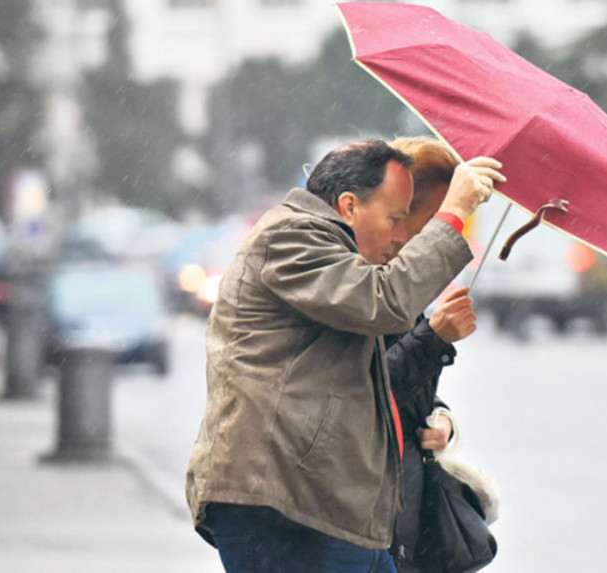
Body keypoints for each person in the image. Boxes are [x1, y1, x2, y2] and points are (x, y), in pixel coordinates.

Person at [186, 139, 505, 573]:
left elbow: (370, 383)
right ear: (349, 206)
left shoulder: (344, 259)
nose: (401, 236)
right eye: (397, 219)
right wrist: (456, 212)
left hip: (328, 507)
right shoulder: (292, 236)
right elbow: (385, 304)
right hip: (289, 504)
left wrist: (441, 414)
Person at [383, 137, 476, 571]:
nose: (450, 231)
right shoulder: (367, 279)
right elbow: (365, 391)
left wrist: (442, 420)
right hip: (367, 512)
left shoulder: (406, 283)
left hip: (403, 505)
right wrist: (435, 338)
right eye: (442, 217)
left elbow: (411, 394)